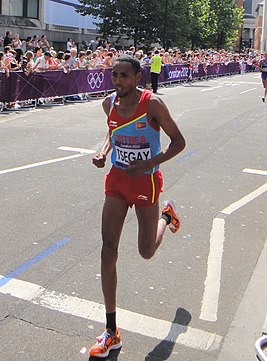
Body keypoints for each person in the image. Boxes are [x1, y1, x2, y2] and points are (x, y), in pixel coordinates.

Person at [89, 55, 186, 358]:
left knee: (146, 252)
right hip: (117, 180)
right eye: (114, 75)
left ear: (137, 77)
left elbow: (179, 142)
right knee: (108, 249)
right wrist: (104, 151)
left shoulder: (152, 104)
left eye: (124, 76)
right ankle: (111, 330)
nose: (118, 81)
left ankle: (166, 217)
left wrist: (150, 162)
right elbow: (112, 131)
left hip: (146, 182)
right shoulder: (109, 104)